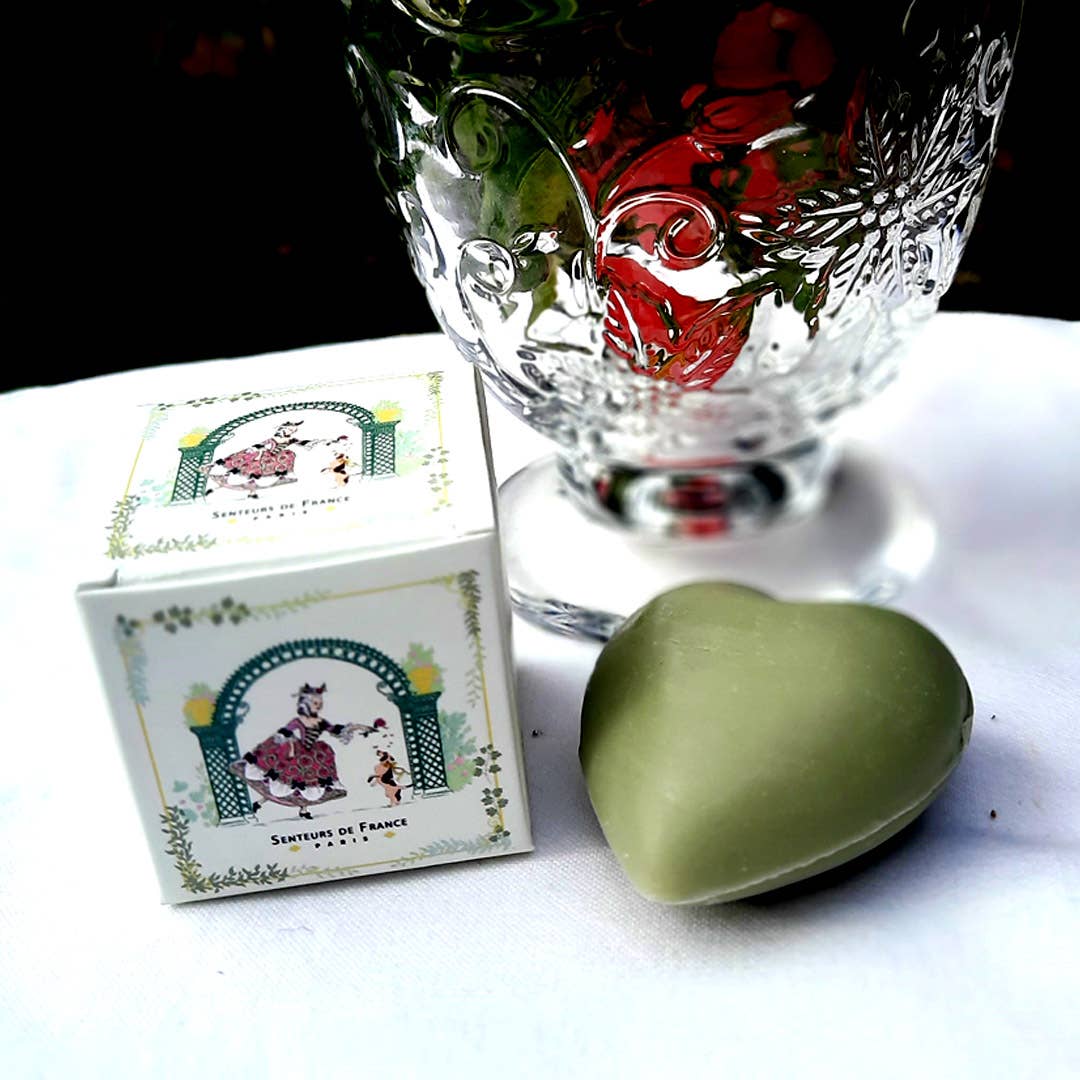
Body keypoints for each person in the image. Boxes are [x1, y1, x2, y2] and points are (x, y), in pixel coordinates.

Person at [229, 682, 378, 819]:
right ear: (305, 703)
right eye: (315, 703)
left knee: (308, 783)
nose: (318, 706)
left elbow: (336, 730)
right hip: (297, 751)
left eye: (320, 704)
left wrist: (357, 727)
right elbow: (284, 733)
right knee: (284, 780)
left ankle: (304, 810)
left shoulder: (320, 721)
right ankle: (260, 802)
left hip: (313, 752)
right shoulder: (298, 721)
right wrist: (289, 745)